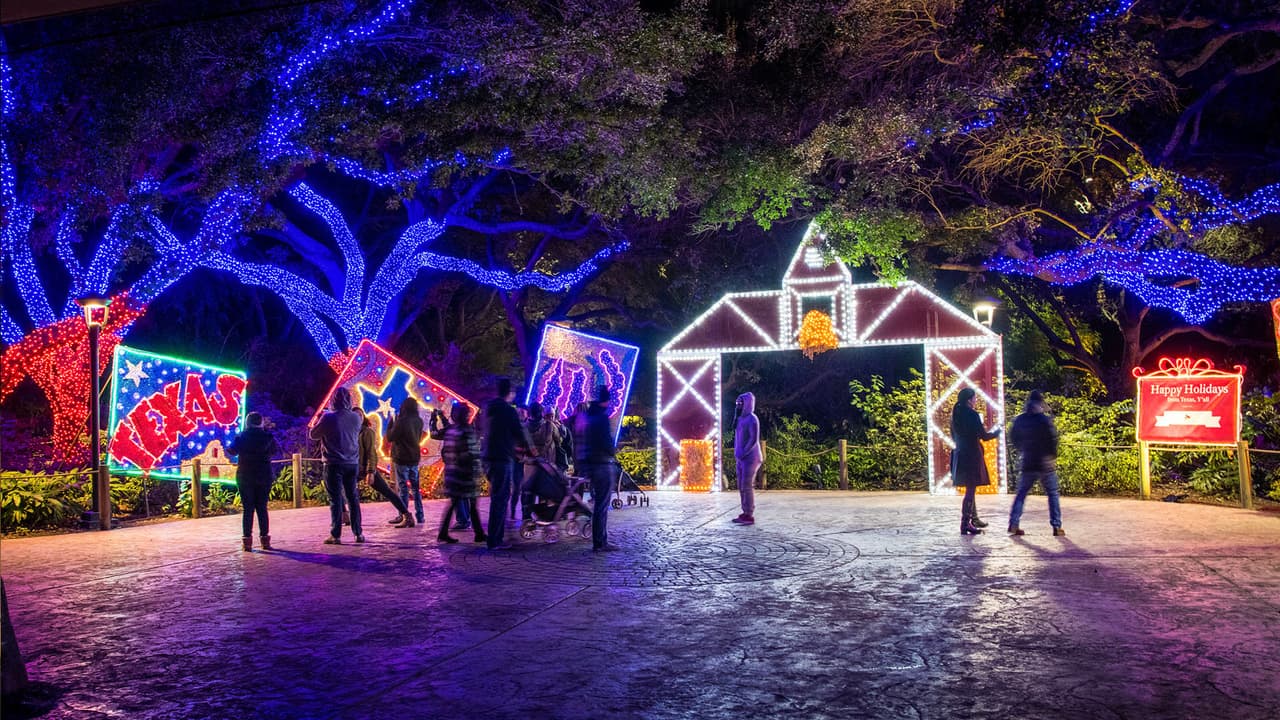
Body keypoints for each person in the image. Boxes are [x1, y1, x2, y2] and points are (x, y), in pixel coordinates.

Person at [310, 386, 364, 544]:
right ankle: (358, 533)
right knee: (353, 498)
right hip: (352, 462)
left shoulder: (328, 417)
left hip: (333, 463)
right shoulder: (356, 417)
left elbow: (313, 435)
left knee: (335, 499)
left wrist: (320, 419)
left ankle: (336, 534)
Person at [483, 378, 533, 550]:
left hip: (489, 457)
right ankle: (495, 540)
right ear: (510, 393)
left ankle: (494, 537)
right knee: (501, 498)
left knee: (497, 498)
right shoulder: (507, 411)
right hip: (502, 458)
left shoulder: (489, 409)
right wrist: (530, 449)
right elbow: (520, 432)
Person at [1008, 390, 1065, 537]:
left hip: (1028, 461)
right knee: (1052, 493)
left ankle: (1014, 523)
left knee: (1021, 493)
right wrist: (1051, 456)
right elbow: (1052, 440)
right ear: (1040, 403)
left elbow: (1013, 437)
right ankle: (1056, 526)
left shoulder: (1020, 420)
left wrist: (1022, 448)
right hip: (1044, 462)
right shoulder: (1045, 420)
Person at [430, 403, 488, 544]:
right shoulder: (467, 431)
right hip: (465, 473)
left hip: (452, 472)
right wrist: (477, 467)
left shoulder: (450, 430)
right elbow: (472, 453)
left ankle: (444, 533)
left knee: (454, 503)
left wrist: (434, 419)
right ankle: (478, 533)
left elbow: (434, 433)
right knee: (472, 504)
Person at [950, 387, 1002, 535]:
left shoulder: (955, 415)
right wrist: (997, 432)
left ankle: (971, 520)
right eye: (974, 398)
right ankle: (966, 523)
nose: (976, 400)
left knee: (969, 489)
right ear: (969, 400)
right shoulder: (972, 415)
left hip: (961, 454)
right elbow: (984, 436)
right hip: (972, 455)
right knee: (971, 489)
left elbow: (953, 435)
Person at [575, 385, 619, 552]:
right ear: (605, 401)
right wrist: (612, 452)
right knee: (602, 504)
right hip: (602, 464)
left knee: (598, 504)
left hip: (589, 464)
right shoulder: (602, 418)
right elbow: (607, 442)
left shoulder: (586, 416)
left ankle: (599, 540)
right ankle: (600, 542)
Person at [227, 411, 278, 551]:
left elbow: (231, 450)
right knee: (262, 507)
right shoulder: (267, 436)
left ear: (247, 422)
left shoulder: (242, 436)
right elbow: (275, 450)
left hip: (245, 475)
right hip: (264, 474)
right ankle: (265, 540)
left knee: (248, 508)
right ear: (261, 422)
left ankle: (247, 541)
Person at [359, 413, 415, 528]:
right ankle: (345, 515)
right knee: (339, 490)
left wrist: (370, 471)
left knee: (387, 491)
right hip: (354, 467)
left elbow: (371, 453)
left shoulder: (366, 432)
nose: (356, 417)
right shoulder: (350, 431)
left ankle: (407, 515)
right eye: (354, 415)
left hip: (366, 468)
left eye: (359, 415)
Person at [385, 397, 426, 525]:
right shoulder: (418, 421)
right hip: (414, 457)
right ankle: (420, 515)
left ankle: (403, 515)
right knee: (415, 488)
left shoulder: (401, 421)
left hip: (401, 457)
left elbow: (391, 437)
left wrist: (391, 422)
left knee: (402, 487)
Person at [520, 403, 558, 520]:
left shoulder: (524, 427)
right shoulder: (549, 426)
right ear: (541, 413)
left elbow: (520, 444)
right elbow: (559, 440)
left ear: (530, 413)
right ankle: (543, 516)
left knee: (527, 490)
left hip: (529, 463)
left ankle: (526, 516)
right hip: (545, 463)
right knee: (544, 490)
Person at [731, 392, 762, 525]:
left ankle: (749, 514)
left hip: (751, 457)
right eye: (737, 403)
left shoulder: (752, 419)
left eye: (741, 403)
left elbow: (753, 439)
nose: (738, 406)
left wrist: (743, 452)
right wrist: (738, 453)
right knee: (741, 486)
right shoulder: (739, 419)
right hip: (741, 458)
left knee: (747, 485)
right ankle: (745, 512)